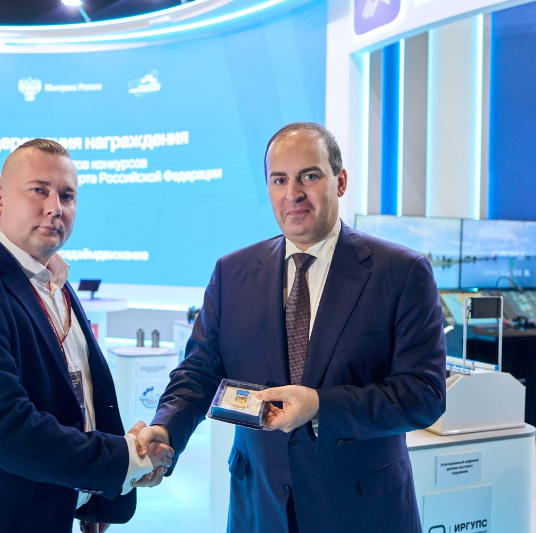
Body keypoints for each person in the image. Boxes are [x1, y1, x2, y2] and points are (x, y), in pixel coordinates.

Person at [136, 123, 447, 532]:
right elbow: (199, 371)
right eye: (279, 179)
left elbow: (423, 395)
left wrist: (320, 405)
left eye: (309, 176)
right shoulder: (232, 273)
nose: (293, 194)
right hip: (259, 505)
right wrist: (166, 427)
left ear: (340, 181)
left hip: (362, 510)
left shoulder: (401, 272)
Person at [0, 138, 172, 533]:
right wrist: (125, 460)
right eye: (39, 190)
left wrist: (91, 497)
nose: (55, 207)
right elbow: (5, 428)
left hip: (58, 509)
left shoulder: (55, 281)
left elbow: (77, 400)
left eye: (67, 196)